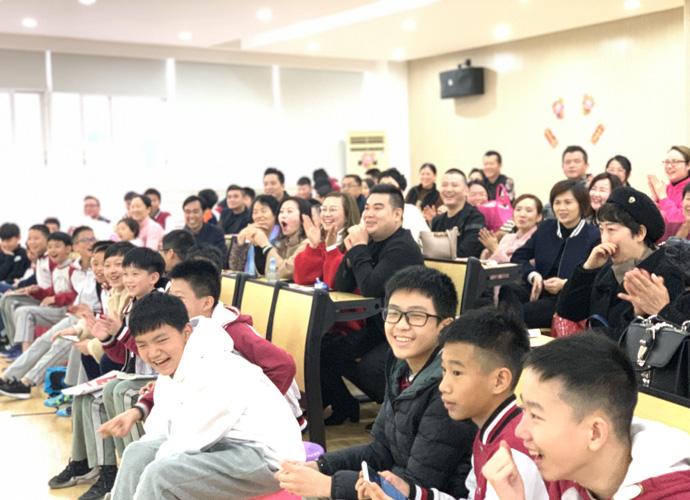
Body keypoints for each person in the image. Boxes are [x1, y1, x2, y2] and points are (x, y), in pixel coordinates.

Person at [277, 266, 476, 500]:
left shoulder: (448, 391)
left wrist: (329, 485)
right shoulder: (400, 366)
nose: (400, 325)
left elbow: (414, 487)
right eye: (393, 313)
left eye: (416, 316)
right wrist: (320, 466)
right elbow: (380, 450)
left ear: (445, 326)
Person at [108, 292, 304, 500]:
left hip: (268, 461)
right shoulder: (172, 368)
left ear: (186, 332)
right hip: (222, 444)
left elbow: (187, 442)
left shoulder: (215, 369)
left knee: (160, 476)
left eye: (161, 340)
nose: (153, 352)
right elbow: (160, 430)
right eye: (143, 345)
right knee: (137, 453)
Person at [98, 259, 299, 446]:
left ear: (206, 303)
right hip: (222, 412)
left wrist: (254, 406)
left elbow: (283, 366)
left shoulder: (232, 330)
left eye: (179, 298)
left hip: (264, 425)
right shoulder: (189, 330)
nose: (172, 304)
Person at [358, 308, 547, 500]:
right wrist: (410, 492)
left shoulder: (515, 451)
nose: (443, 386)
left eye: (457, 373)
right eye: (444, 370)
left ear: (499, 380)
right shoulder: (489, 430)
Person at [483, 333, 690, 500]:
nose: (519, 431)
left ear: (595, 433)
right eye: (523, 410)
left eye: (535, 415)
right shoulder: (570, 475)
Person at [322, 184, 424, 424]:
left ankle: (397, 417)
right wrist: (353, 252)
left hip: (408, 331)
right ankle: (344, 405)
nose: (368, 214)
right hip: (379, 330)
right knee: (326, 349)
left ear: (397, 214)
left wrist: (359, 248)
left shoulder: (401, 247)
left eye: (377, 208)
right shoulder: (372, 241)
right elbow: (342, 284)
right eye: (366, 208)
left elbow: (370, 288)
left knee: (370, 367)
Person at [557, 187, 684, 341]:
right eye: (601, 230)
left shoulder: (664, 273)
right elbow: (568, 312)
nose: (604, 239)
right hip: (596, 350)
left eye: (611, 229)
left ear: (640, 233)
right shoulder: (608, 269)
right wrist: (588, 269)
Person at [0, 241, 110, 399]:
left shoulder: (108, 284)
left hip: (86, 321)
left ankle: (26, 383)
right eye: (96, 263)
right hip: (77, 317)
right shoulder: (90, 276)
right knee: (43, 341)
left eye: (104, 264)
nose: (99, 268)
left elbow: (104, 315)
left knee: (61, 344)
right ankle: (8, 376)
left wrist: (86, 314)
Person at [499, 180, 600, 328]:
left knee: (521, 313)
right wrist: (533, 275)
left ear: (582, 205)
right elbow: (519, 256)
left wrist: (565, 284)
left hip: (567, 299)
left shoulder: (594, 235)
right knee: (508, 289)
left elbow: (597, 276)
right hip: (540, 290)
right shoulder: (546, 228)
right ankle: (513, 331)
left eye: (568, 202)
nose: (562, 208)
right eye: (557, 202)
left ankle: (511, 332)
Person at [12, 231, 89, 352]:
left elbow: (80, 295)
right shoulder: (56, 269)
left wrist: (55, 299)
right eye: (49, 247)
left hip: (69, 311)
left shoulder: (73, 269)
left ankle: (26, 354)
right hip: (57, 309)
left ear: (68, 249)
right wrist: (37, 291)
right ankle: (25, 352)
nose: (52, 250)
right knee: (21, 311)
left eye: (57, 246)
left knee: (25, 312)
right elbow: (52, 292)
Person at [0, 224, 51, 353]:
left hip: (42, 296)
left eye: (36, 238)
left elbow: (21, 276)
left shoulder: (45, 258)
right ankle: (12, 341)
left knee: (8, 299)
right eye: (30, 239)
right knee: (6, 298)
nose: (32, 242)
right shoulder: (40, 259)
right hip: (33, 291)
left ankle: (11, 340)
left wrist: (21, 285)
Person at [294, 191, 360, 287]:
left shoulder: (354, 242)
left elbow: (334, 283)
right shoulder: (321, 241)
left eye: (333, 209)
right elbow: (302, 279)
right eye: (323, 209)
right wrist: (313, 246)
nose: (326, 214)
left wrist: (332, 249)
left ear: (347, 215)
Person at [425, 169, 486, 258]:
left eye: (454, 185)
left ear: (466, 191)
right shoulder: (437, 221)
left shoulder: (475, 218)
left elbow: (466, 252)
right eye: (444, 185)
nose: (449, 189)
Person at [250, 197, 310, 280]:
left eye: (289, 211)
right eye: (281, 212)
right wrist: (258, 245)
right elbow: (264, 272)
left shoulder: (308, 243)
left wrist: (266, 245)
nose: (283, 215)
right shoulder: (284, 242)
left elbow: (284, 272)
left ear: (303, 217)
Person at [479, 194, 542, 262]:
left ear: (539, 217)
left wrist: (495, 249)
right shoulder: (507, 238)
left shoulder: (539, 241)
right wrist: (490, 249)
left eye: (528, 211)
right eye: (518, 210)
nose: (522, 214)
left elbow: (518, 266)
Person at [379, 168, 431, 242]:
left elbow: (425, 238)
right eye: (381, 186)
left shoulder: (412, 211)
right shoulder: (371, 211)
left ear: (401, 190)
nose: (385, 190)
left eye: (390, 186)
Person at [233, 195, 280, 275]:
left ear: (275, 214)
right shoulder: (250, 235)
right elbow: (235, 268)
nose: (258, 216)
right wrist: (241, 238)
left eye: (263, 211)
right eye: (255, 212)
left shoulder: (282, 237)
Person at [542, 145, 590, 219]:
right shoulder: (560, 188)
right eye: (568, 162)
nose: (572, 165)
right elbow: (547, 212)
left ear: (586, 166)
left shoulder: (593, 188)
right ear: (563, 166)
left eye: (577, 161)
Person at [648, 145, 690, 223]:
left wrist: (663, 196)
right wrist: (654, 198)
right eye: (667, 162)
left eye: (675, 162)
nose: (669, 166)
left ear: (688, 165)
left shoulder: (663, 192)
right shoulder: (665, 188)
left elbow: (680, 220)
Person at [182, 195, 227, 263]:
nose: (191, 216)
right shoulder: (180, 236)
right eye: (188, 212)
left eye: (195, 212)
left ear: (204, 213)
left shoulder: (217, 233)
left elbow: (222, 259)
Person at [0, 223, 30, 289]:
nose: (5, 244)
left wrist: (7, 281)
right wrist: (9, 257)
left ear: (18, 238)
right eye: (3, 240)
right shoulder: (1, 255)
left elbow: (20, 274)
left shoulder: (25, 254)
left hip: (17, 287)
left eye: (9, 241)